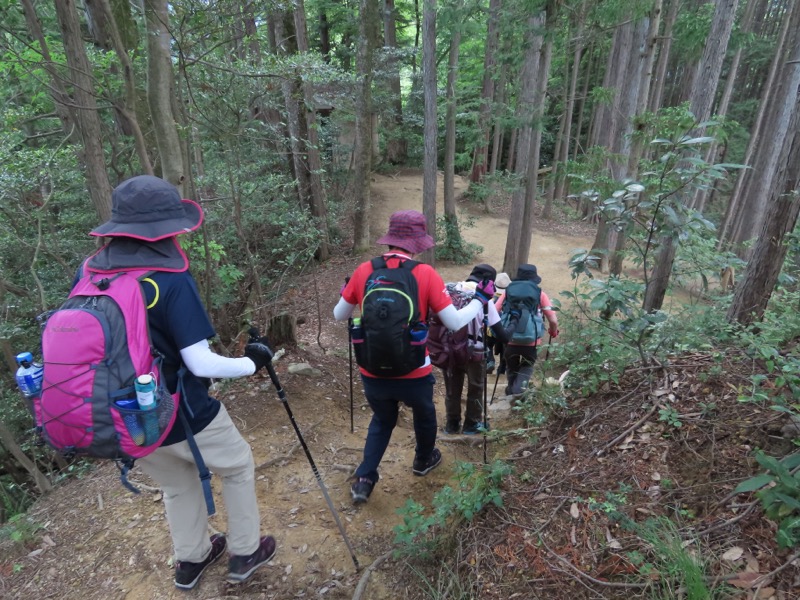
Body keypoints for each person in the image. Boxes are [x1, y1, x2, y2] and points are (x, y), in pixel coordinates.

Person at [82, 175, 277, 590]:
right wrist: (252, 362)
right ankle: (244, 552)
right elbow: (200, 362)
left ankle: (191, 559)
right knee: (239, 466)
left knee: (176, 484)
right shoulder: (169, 281)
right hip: (182, 412)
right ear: (166, 230)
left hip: (125, 417)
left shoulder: (91, 276)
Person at [333, 210, 495, 504]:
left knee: (382, 419)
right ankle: (423, 459)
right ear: (418, 244)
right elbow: (455, 322)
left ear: (389, 240)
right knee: (425, 414)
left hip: (372, 368)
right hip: (414, 370)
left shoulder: (364, 270)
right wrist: (481, 301)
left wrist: (348, 290)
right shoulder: (425, 274)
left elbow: (339, 314)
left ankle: (365, 477)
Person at [441, 265, 519, 435]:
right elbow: (503, 336)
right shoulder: (484, 300)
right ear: (490, 282)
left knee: (452, 388)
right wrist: (514, 320)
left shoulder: (450, 290)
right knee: (475, 387)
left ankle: (452, 424)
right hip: (474, 352)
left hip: (450, 350)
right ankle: (472, 424)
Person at [502, 264, 558, 397]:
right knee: (527, 365)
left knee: (511, 365)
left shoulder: (508, 292)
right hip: (532, 340)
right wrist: (553, 332)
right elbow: (553, 319)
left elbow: (495, 309)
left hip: (510, 337)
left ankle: (512, 390)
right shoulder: (540, 293)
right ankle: (518, 390)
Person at [485, 271, 511, 375]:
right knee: (503, 349)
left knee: (488, 345)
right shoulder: (509, 298)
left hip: (490, 330)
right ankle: (502, 369)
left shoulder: (491, 296)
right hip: (503, 329)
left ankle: (490, 360)